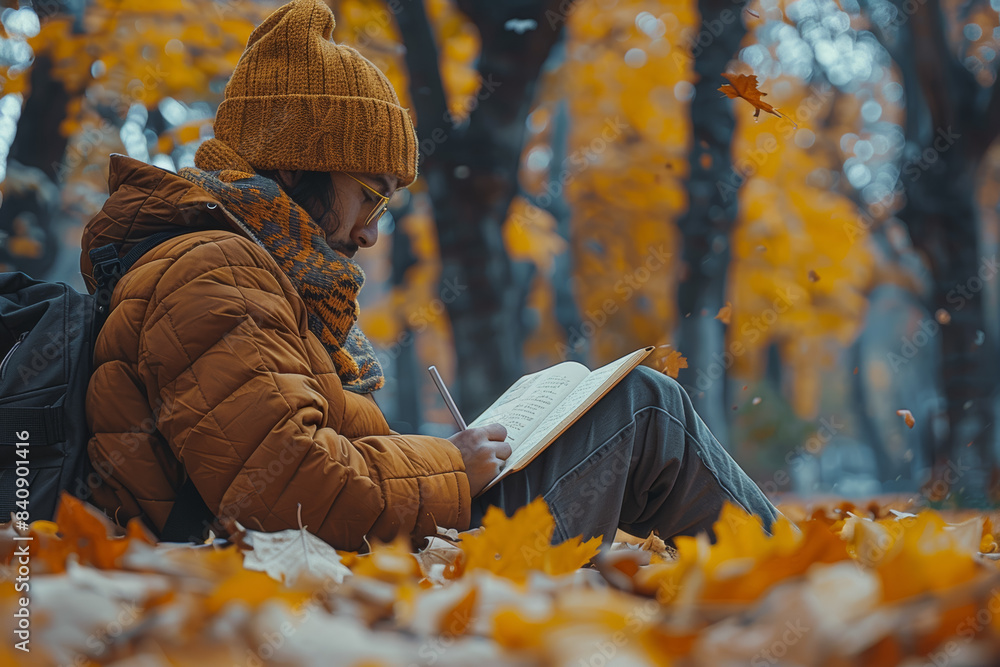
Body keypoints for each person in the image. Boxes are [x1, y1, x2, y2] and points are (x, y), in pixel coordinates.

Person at [80, 0, 778, 552]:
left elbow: (297, 458)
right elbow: (289, 489)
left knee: (635, 403)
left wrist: (447, 457)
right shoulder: (215, 271)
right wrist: (451, 465)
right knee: (644, 408)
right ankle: (808, 580)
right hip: (327, 568)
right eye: (370, 194)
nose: (372, 230)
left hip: (360, 546)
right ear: (293, 167)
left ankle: (789, 576)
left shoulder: (254, 271)